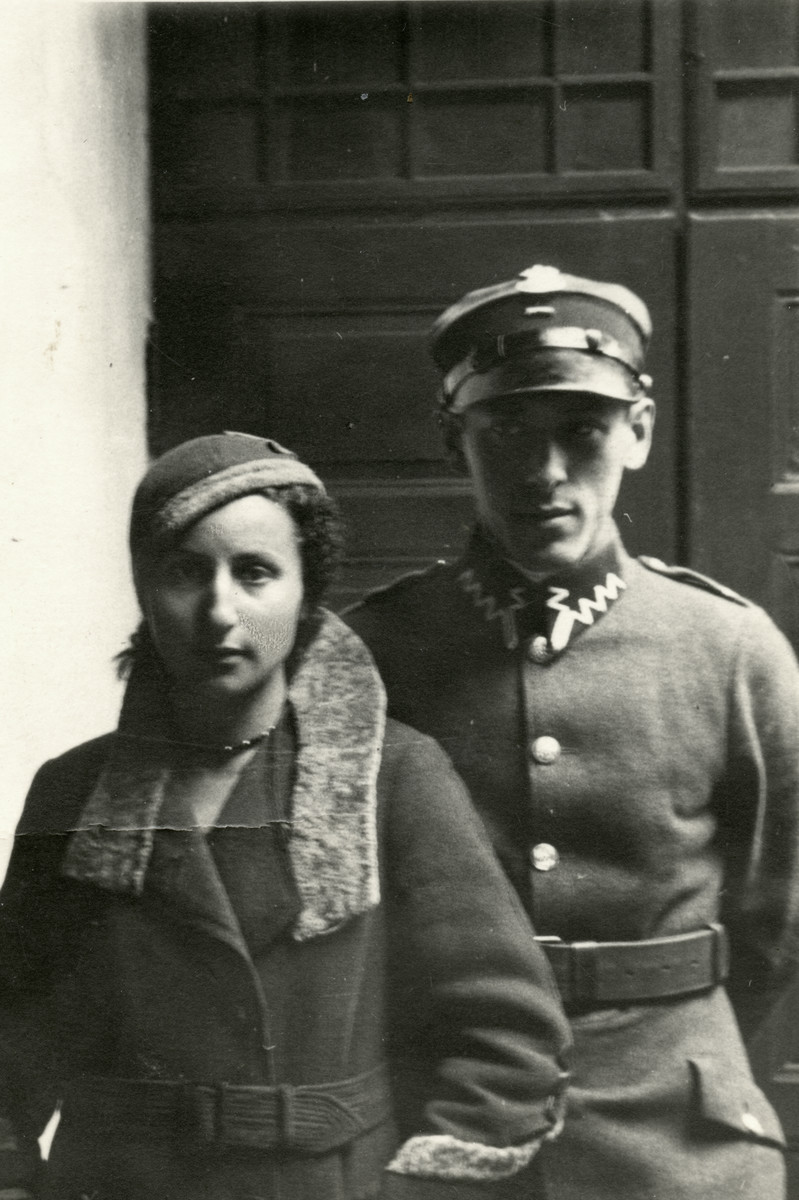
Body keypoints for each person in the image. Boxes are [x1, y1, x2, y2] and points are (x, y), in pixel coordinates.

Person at [0, 432, 572, 1200]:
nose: (217, 610)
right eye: (184, 571)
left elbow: (508, 1041)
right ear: (143, 587)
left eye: (256, 572)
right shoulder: (73, 791)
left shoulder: (392, 776)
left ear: (307, 592)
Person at [346, 264, 799, 1200]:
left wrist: (683, 1039)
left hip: (678, 1134)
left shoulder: (727, 647)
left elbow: (774, 918)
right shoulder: (376, 653)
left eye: (580, 432)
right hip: (451, 1127)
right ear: (451, 441)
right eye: (504, 430)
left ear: (637, 433)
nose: (542, 472)